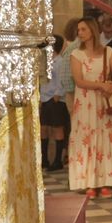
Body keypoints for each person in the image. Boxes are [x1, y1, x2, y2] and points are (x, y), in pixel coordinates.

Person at [68, 19, 112, 197]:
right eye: (78, 29)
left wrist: (111, 84)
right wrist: (100, 85)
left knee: (105, 138)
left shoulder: (108, 51)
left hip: (104, 102)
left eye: (83, 29)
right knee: (87, 139)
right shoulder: (76, 54)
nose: (80, 32)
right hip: (86, 102)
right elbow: (78, 80)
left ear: (93, 31)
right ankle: (89, 183)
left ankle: (106, 182)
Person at [40, 34, 71, 171]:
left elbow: (62, 80)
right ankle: (44, 159)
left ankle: (57, 160)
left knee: (57, 128)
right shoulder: (47, 61)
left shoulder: (60, 61)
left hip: (56, 99)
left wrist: (57, 95)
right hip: (46, 98)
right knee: (44, 128)